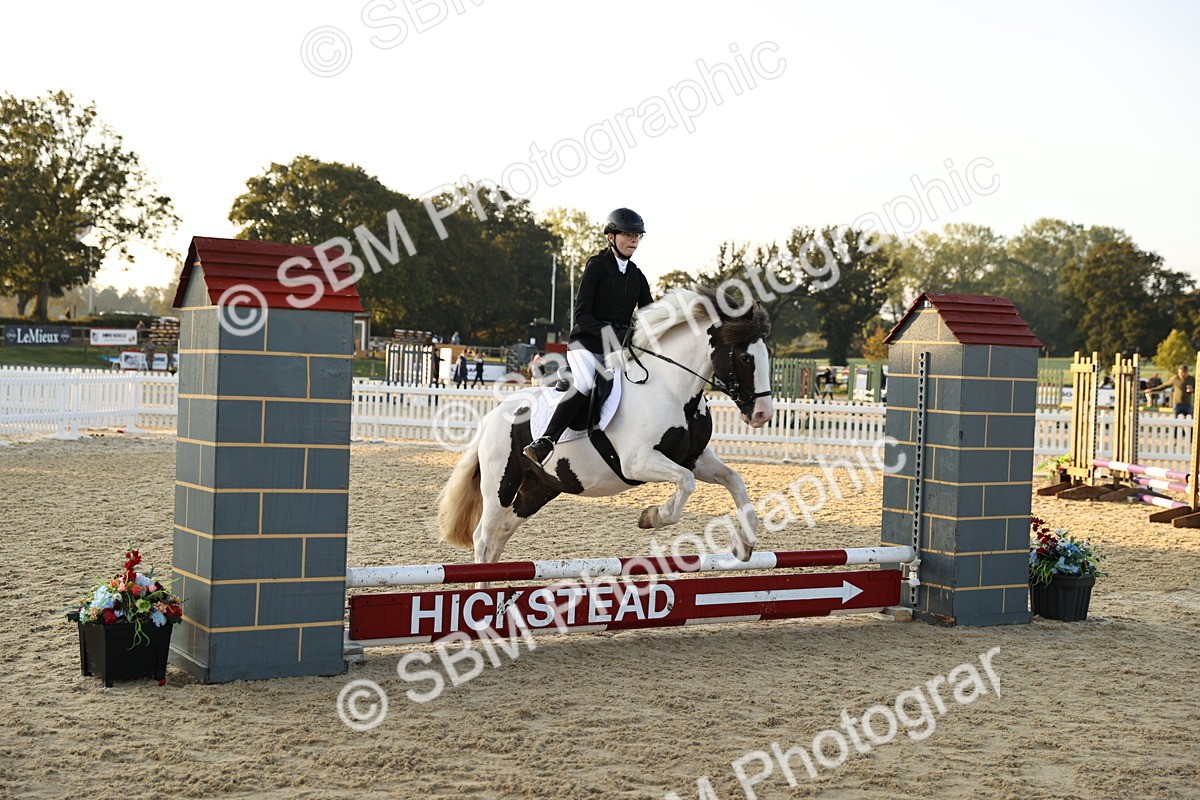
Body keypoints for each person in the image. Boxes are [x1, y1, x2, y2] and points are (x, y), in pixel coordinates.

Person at [523, 207, 654, 466]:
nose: (634, 241)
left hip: (617, 349)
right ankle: (546, 441)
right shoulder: (596, 267)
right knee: (585, 383)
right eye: (628, 235)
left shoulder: (637, 275)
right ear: (611, 237)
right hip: (586, 344)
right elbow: (582, 316)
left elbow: (650, 315)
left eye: (638, 236)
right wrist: (619, 333)